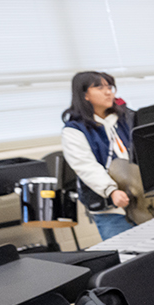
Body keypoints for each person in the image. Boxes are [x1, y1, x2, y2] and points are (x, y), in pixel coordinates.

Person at [60, 71, 137, 240]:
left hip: (142, 202)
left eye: (110, 87)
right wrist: (111, 191)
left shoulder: (127, 117)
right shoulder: (74, 130)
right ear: (84, 94)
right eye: (100, 87)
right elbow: (86, 166)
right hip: (110, 209)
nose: (108, 92)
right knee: (130, 259)